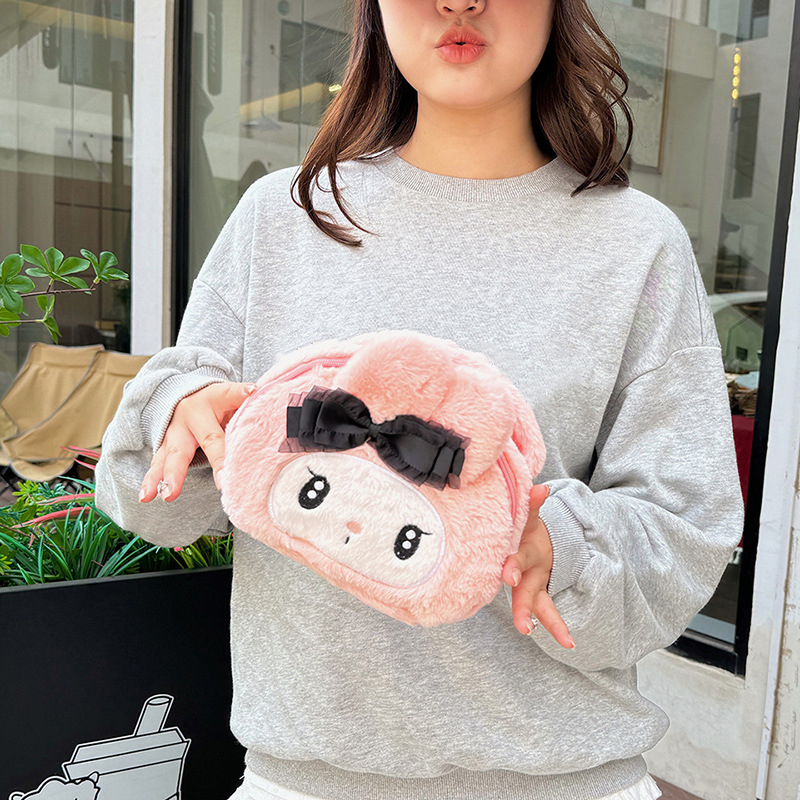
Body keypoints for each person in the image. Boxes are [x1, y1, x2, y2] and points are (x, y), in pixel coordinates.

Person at [95, 0, 745, 797]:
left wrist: (557, 543)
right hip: (304, 783)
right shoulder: (283, 219)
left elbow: (686, 527)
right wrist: (183, 418)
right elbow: (153, 506)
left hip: (567, 780)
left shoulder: (637, 244)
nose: (459, 2)